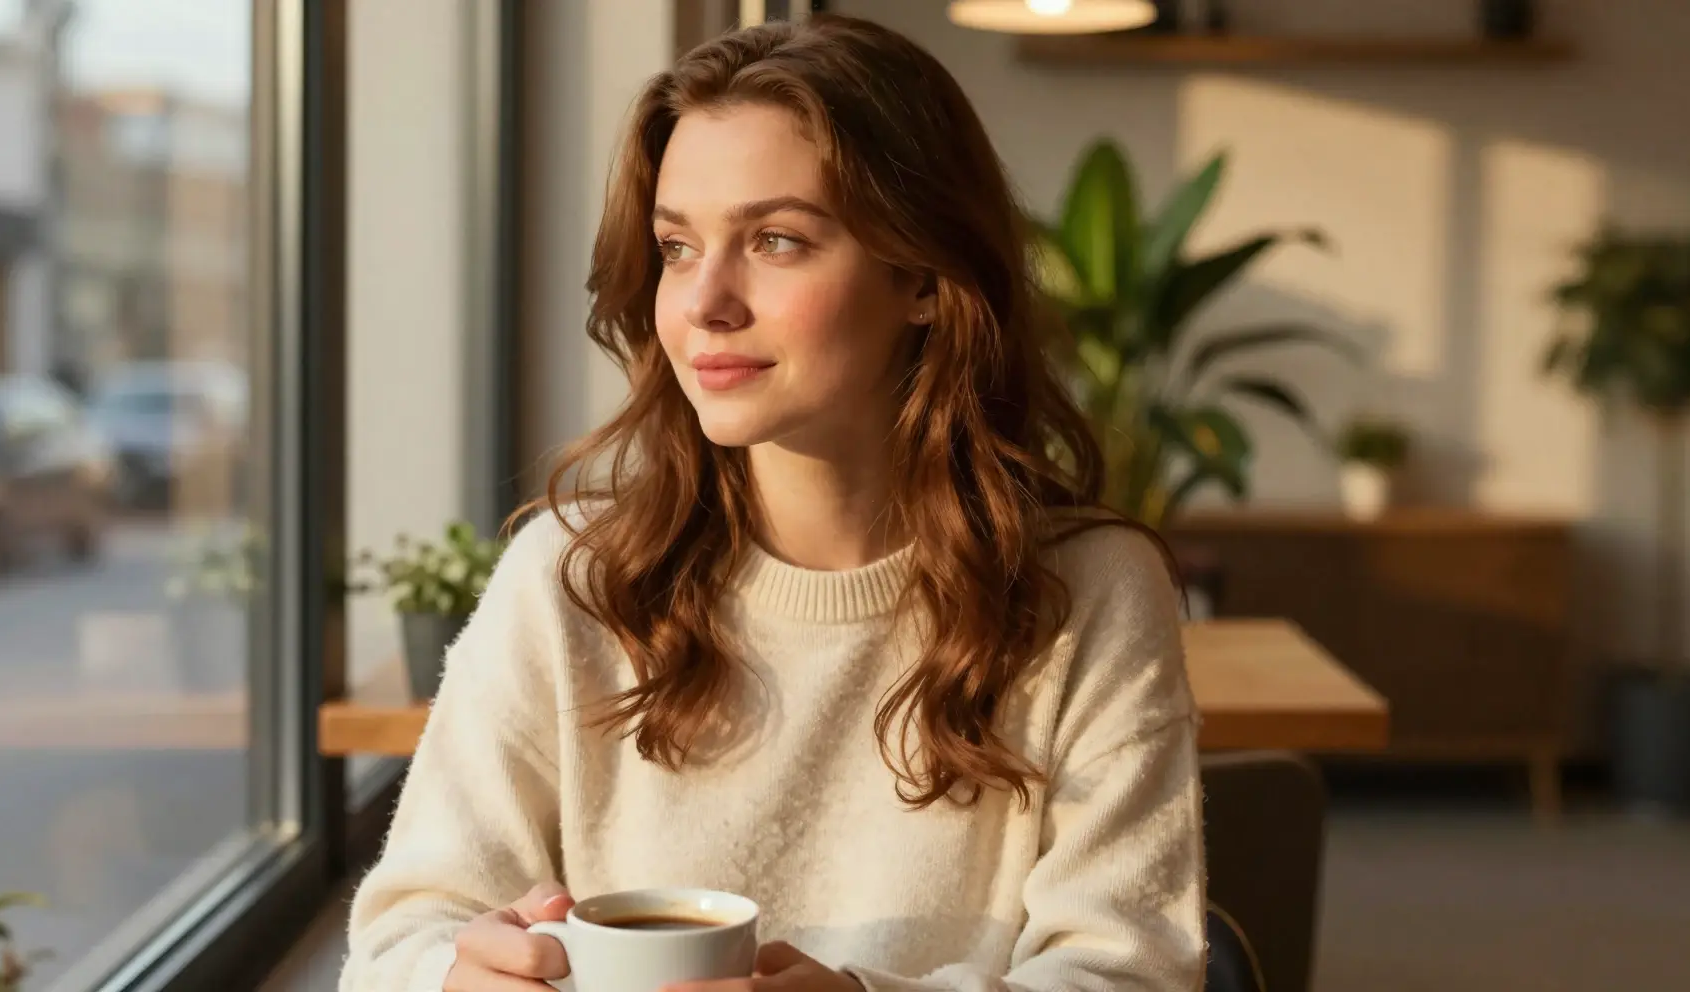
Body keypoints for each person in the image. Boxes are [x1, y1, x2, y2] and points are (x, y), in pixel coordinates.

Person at [343, 14, 1210, 992]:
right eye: (677, 247)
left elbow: (1129, 973)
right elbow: (396, 941)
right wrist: (454, 976)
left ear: (924, 278)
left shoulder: (1089, 590)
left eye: (776, 240)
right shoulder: (568, 577)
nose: (704, 301)